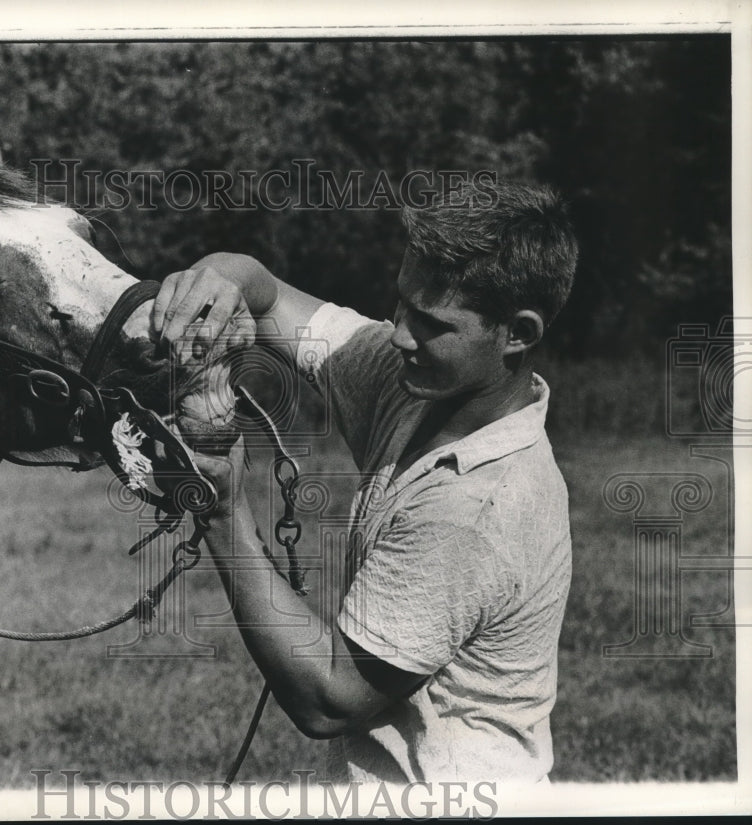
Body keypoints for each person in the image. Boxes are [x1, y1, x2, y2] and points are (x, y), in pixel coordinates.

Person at [150, 180, 578, 785]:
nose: (401, 333)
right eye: (401, 305)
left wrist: (222, 512)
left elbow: (330, 699)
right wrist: (220, 276)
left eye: (431, 323)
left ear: (519, 334)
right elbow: (267, 299)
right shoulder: (412, 383)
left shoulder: (478, 504)